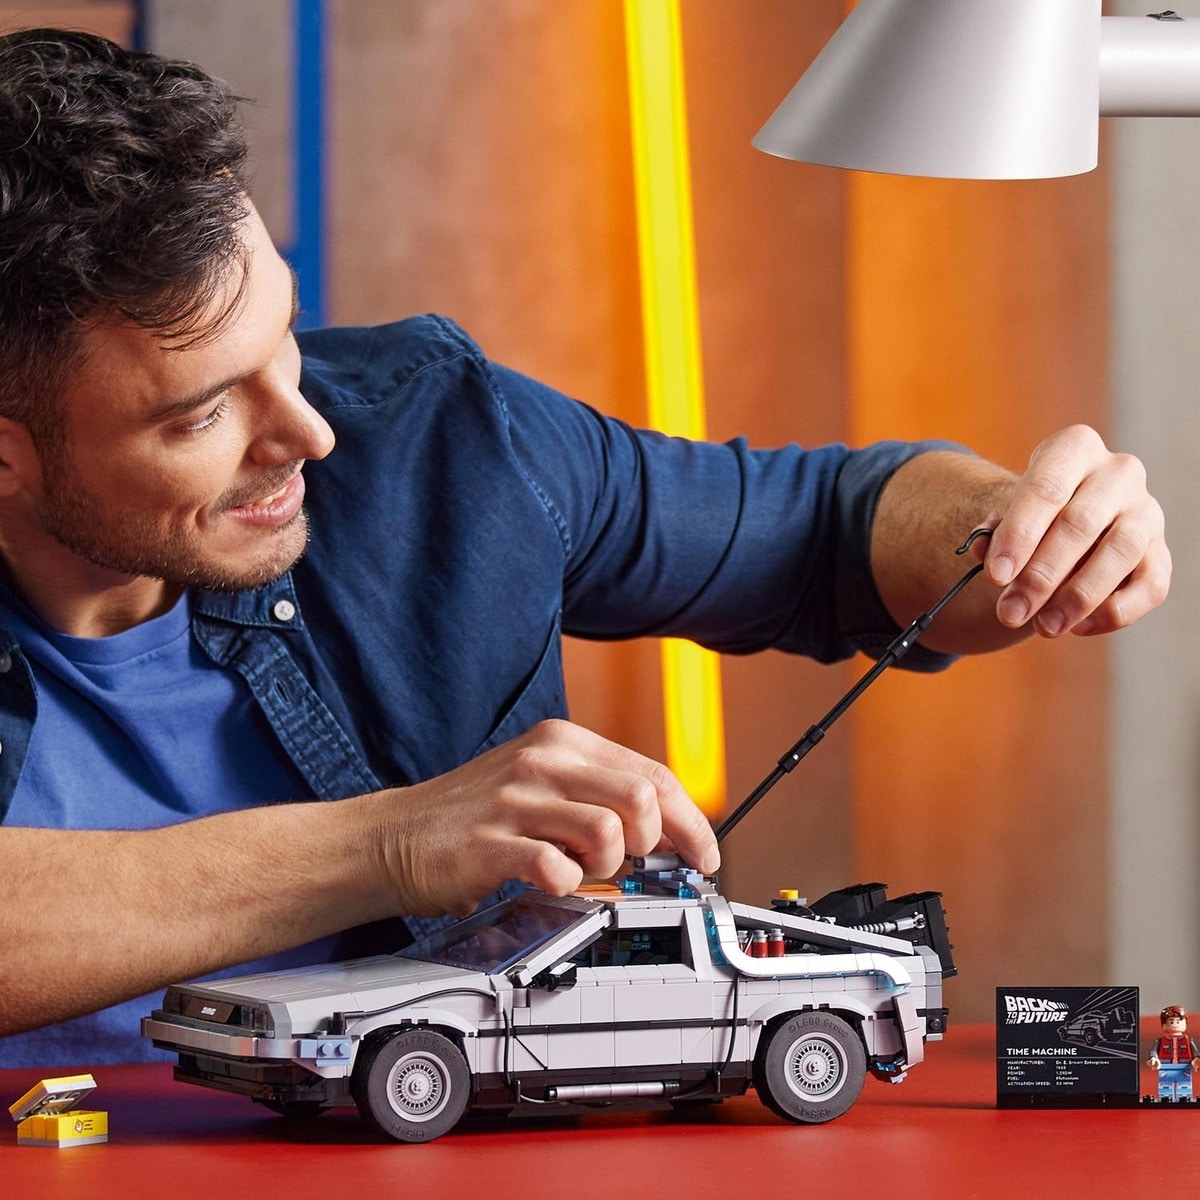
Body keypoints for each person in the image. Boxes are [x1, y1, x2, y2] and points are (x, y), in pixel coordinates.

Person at [0, 29, 1170, 1067]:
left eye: (286, 335)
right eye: (203, 413)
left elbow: (836, 530)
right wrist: (393, 842)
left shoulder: (440, 440)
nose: (308, 433)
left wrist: (1014, 527)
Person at [1147, 1006, 1200, 1101]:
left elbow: (1195, 1052)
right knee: (1165, 1085)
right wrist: (1153, 1058)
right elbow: (1154, 1051)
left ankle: (1184, 1098)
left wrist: (1196, 1059)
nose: (1175, 1024)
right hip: (1165, 1066)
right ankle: (1165, 1098)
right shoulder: (1160, 1041)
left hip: (1184, 1066)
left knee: (1184, 1085)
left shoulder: (1188, 1041)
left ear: (1185, 1023)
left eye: (1178, 1022)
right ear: (1163, 1024)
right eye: (1171, 1022)